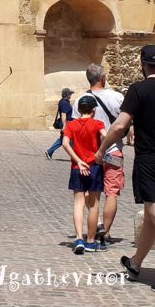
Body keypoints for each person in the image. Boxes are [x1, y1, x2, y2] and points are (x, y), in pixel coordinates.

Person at [95, 44, 155, 295]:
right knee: (151, 213)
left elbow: (120, 125)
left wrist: (101, 149)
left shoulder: (138, 90)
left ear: (143, 65)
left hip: (149, 159)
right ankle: (135, 264)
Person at [83, 63, 125, 247]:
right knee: (112, 192)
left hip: (91, 152)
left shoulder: (81, 100)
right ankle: (105, 233)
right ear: (103, 78)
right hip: (113, 150)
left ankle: (98, 221)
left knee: (88, 190)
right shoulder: (117, 97)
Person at [63, 95, 107, 254]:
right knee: (94, 205)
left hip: (77, 168)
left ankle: (79, 238)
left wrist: (77, 160)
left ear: (79, 110)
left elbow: (65, 143)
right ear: (93, 110)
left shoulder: (72, 125)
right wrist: (101, 152)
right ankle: (90, 241)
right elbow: (105, 135)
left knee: (78, 204)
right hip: (94, 166)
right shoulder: (97, 124)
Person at [45, 88, 75, 160]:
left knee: (62, 139)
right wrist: (64, 126)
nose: (71, 95)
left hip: (68, 123)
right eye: (70, 94)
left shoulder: (63, 101)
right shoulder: (64, 103)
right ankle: (75, 156)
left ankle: (50, 151)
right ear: (67, 94)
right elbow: (64, 114)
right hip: (68, 124)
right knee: (70, 140)